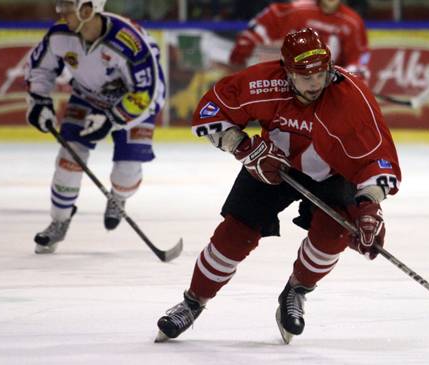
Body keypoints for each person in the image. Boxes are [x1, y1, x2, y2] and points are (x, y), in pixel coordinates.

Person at [155, 27, 401, 344]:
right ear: (286, 72)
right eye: (304, 75)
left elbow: (379, 161)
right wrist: (242, 147)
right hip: (272, 164)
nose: (315, 83)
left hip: (333, 173)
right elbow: (210, 112)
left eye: (320, 73)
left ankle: (296, 290)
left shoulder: (352, 99)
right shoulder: (263, 81)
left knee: (333, 236)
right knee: (234, 235)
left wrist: (368, 205)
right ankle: (192, 302)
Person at [25, 0, 166, 254]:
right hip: (87, 96)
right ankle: (59, 221)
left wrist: (113, 118)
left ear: (88, 9)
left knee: (126, 172)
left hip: (135, 102)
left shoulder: (129, 42)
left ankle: (119, 197)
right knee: (69, 158)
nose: (61, 12)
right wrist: (39, 101)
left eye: (68, 6)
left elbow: (147, 92)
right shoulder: (60, 35)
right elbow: (40, 68)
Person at [229, 0, 370, 80]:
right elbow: (266, 22)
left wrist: (350, 76)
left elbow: (359, 57)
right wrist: (246, 43)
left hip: (326, 85)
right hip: (291, 79)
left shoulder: (353, 22)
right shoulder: (298, 10)